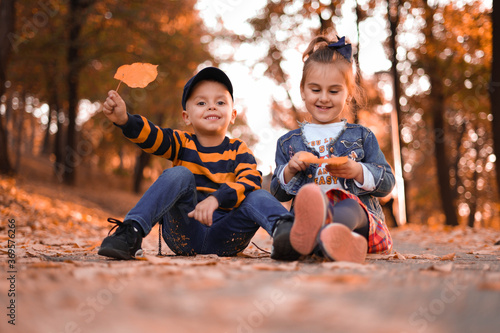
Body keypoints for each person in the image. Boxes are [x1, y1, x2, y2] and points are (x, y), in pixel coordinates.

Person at [98, 67, 293, 260]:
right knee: (179, 174)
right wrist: (124, 120)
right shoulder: (181, 143)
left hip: (228, 235)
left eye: (220, 102)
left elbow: (250, 181)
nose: (211, 106)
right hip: (185, 232)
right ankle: (130, 232)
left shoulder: (238, 150)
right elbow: (152, 137)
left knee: (256, 194)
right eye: (201, 102)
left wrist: (216, 199)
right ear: (186, 116)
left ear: (232, 115)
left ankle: (288, 233)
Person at [270, 36, 396, 263]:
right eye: (315, 89)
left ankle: (332, 237)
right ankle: (321, 243)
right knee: (287, 230)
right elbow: (278, 192)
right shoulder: (288, 143)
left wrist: (358, 171)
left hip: (356, 218)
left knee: (348, 207)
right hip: (308, 219)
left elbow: (387, 182)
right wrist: (290, 170)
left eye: (334, 91)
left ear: (348, 93)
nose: (324, 98)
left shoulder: (361, 136)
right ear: (303, 91)